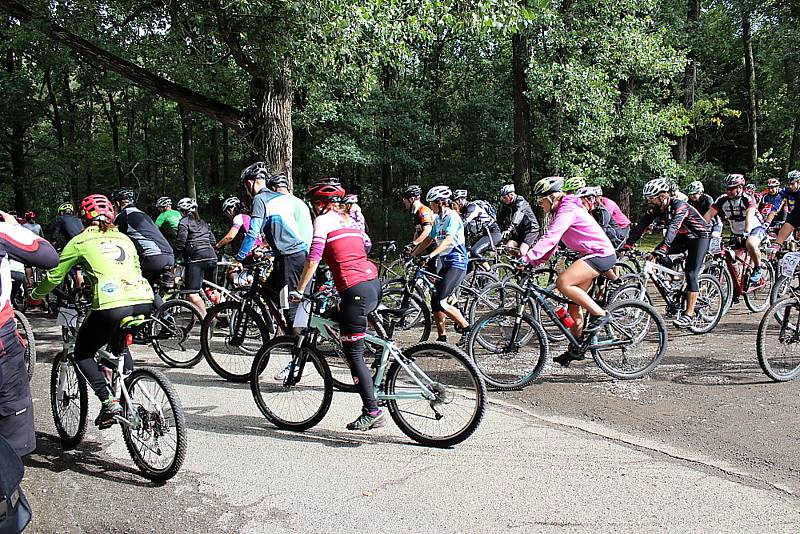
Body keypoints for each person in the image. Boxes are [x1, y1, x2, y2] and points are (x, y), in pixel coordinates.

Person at [33, 194, 155, 428]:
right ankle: (126, 388)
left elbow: (56, 275)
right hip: (143, 299)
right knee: (117, 344)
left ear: (83, 217)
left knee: (83, 353)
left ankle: (109, 401)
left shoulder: (80, 241)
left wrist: (36, 296)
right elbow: (136, 269)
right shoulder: (124, 239)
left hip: (111, 304)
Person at [291, 182, 383, 431]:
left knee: (353, 353)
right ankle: (375, 356)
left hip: (355, 289)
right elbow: (360, 248)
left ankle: (372, 410)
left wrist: (300, 290)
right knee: (336, 316)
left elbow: (314, 256)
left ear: (319, 204)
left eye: (313, 204)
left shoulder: (323, 221)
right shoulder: (349, 219)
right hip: (372, 283)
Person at [522, 177, 616, 366]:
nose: (540, 205)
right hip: (590, 255)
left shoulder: (568, 208)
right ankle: (577, 348)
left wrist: (527, 257)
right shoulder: (562, 211)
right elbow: (552, 245)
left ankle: (601, 315)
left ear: (552, 197)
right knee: (574, 307)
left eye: (541, 201)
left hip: (600, 254)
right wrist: (534, 262)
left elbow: (551, 236)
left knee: (563, 282)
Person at [0, 212, 58, 456]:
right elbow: (48, 256)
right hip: (19, 269)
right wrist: (16, 227)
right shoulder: (9, 229)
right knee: (11, 405)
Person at [626, 178, 711, 329]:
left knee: (691, 273)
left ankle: (689, 314)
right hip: (682, 237)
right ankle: (674, 281)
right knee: (655, 255)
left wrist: (664, 247)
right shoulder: (657, 208)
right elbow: (640, 226)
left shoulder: (679, 206)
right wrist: (627, 245)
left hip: (699, 237)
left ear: (662, 196)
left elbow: (673, 227)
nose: (649, 201)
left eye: (651, 198)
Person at [236, 163, 309, 327]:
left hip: (290, 257)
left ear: (249, 183)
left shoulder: (259, 199)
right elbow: (282, 229)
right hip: (294, 253)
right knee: (270, 288)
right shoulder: (281, 198)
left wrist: (239, 258)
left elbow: (253, 232)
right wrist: (266, 250)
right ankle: (282, 331)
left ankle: (299, 348)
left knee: (290, 309)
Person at [411, 186, 471, 343]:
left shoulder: (452, 217)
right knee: (435, 301)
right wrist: (413, 254)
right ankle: (442, 337)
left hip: (457, 263)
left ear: (440, 202)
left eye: (432, 203)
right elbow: (429, 239)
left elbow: (448, 241)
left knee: (441, 301)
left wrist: (430, 255)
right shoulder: (438, 219)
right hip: (446, 263)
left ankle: (468, 329)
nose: (430, 206)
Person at [111, 188, 175, 305]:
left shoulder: (124, 216)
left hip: (153, 257)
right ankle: (164, 316)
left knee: (126, 281)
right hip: (169, 255)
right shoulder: (143, 214)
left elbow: (112, 237)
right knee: (148, 287)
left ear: (119, 203)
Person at [703, 173, 767, 284]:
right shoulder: (722, 200)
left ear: (740, 188)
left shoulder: (747, 198)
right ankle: (735, 288)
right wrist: (698, 228)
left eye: (731, 189)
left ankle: (758, 268)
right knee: (731, 260)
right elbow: (708, 216)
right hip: (736, 232)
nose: (728, 191)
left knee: (751, 243)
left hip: (754, 228)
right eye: (727, 189)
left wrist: (746, 233)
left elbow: (750, 216)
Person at [174, 198, 217, 317]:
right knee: (212, 289)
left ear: (182, 211)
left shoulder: (183, 222)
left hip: (196, 258)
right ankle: (223, 311)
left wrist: (175, 258)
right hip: (212, 257)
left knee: (191, 294)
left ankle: (206, 320)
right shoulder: (204, 222)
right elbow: (213, 241)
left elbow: (181, 242)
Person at [265, 172, 313, 248]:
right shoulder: (299, 202)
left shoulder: (281, 203)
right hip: (305, 247)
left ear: (273, 188)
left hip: (293, 249)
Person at [452, 189, 502, 259]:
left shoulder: (472, 207)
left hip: (492, 233)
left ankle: (488, 269)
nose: (454, 204)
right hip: (481, 236)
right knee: (465, 253)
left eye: (455, 201)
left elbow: (463, 223)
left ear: (461, 200)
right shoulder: (463, 210)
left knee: (474, 251)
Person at [497, 184, 540, 257]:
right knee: (509, 247)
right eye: (502, 198)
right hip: (519, 232)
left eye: (505, 198)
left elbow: (517, 216)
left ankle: (528, 264)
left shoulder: (521, 202)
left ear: (511, 195)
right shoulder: (507, 205)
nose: (504, 200)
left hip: (530, 230)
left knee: (522, 251)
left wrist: (509, 229)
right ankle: (520, 263)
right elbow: (500, 218)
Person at [686, 180, 722, 253]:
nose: (692, 196)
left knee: (714, 236)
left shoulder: (708, 200)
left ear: (700, 192)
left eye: (694, 194)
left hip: (714, 224)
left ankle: (716, 259)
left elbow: (710, 216)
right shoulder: (689, 202)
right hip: (699, 225)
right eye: (690, 194)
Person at [770, 171, 800, 250]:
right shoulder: (786, 191)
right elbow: (775, 207)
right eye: (789, 184)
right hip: (795, 214)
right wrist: (767, 223)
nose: (790, 186)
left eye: (792, 184)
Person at [400, 185, 435, 254]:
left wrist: (414, 243)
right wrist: (412, 248)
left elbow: (427, 231)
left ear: (411, 199)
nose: (404, 203)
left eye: (405, 200)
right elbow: (418, 231)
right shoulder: (415, 212)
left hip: (435, 246)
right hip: (427, 247)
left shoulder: (423, 210)